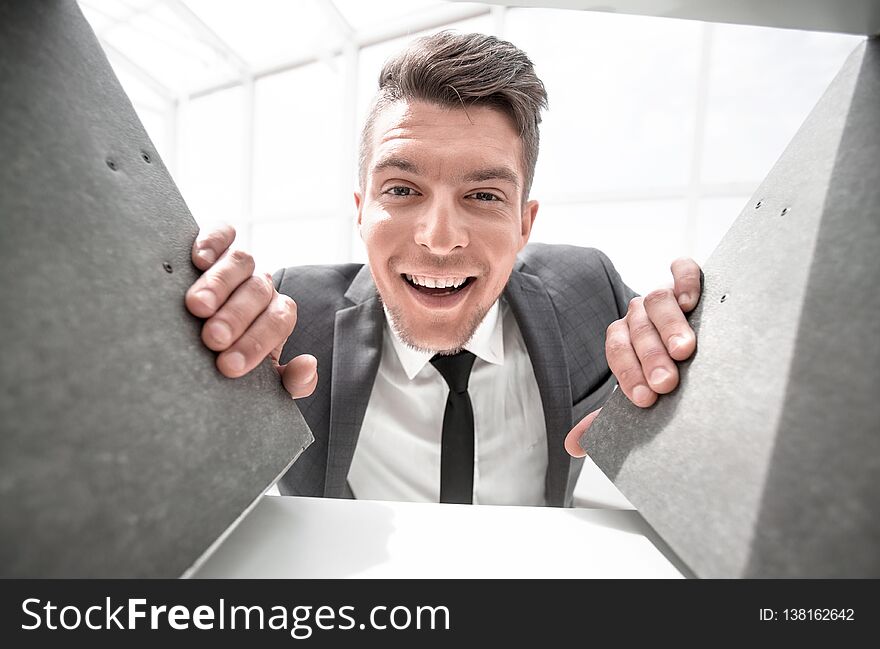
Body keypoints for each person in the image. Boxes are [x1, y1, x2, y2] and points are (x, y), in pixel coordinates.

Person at [184, 32, 701, 507]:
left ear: (525, 223)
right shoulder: (295, 314)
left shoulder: (588, 285)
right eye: (402, 190)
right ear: (362, 211)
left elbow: (674, 365)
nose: (439, 237)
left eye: (483, 195)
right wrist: (205, 378)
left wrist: (698, 334)